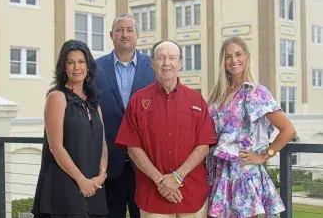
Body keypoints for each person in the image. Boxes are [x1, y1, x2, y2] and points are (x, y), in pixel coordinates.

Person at [115, 40, 217, 218]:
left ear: (180, 63)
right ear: (153, 63)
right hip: (153, 194)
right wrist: (161, 181)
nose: (166, 63)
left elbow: (203, 145)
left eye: (172, 58)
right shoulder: (138, 101)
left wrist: (177, 177)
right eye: (161, 58)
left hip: (191, 194)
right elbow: (133, 147)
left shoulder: (196, 100)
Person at [206, 35, 297, 218]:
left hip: (243, 176)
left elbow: (288, 130)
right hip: (217, 176)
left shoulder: (255, 93)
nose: (234, 60)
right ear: (223, 62)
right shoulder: (217, 95)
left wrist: (264, 156)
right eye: (228, 56)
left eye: (238, 54)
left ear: (247, 57)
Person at [31, 39, 109, 218]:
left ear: (88, 65)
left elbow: (103, 144)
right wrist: (81, 181)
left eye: (81, 62)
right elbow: (56, 147)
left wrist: (102, 175)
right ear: (63, 67)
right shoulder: (57, 97)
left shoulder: (94, 102)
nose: (76, 67)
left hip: (94, 185)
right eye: (70, 62)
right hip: (65, 185)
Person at [95, 14, 155, 218]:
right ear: (111, 35)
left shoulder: (154, 67)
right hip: (109, 163)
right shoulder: (94, 68)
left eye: (129, 30)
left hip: (147, 165)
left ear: (138, 35)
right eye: (119, 30)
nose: (124, 34)